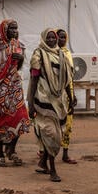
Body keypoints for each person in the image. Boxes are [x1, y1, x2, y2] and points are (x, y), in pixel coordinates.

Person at [0, 19, 30, 167]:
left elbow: (19, 66)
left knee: (20, 118)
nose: (15, 31)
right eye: (12, 29)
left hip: (14, 86)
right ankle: (0, 153)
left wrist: (21, 58)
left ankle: (12, 150)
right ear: (5, 29)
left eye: (16, 29)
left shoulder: (18, 44)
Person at [28, 29, 71, 182]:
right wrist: (30, 103)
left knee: (57, 135)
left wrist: (70, 98)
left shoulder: (61, 55)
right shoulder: (38, 55)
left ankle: (42, 161)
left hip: (59, 100)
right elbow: (33, 80)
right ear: (44, 39)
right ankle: (53, 170)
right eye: (49, 37)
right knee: (50, 133)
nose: (53, 40)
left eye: (54, 37)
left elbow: (66, 79)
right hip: (43, 99)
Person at [56, 29, 78, 164]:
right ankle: (44, 151)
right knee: (53, 123)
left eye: (64, 37)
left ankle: (65, 153)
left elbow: (70, 76)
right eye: (60, 37)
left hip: (68, 91)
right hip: (56, 92)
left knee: (68, 123)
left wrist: (72, 94)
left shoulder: (67, 53)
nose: (62, 39)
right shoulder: (51, 53)